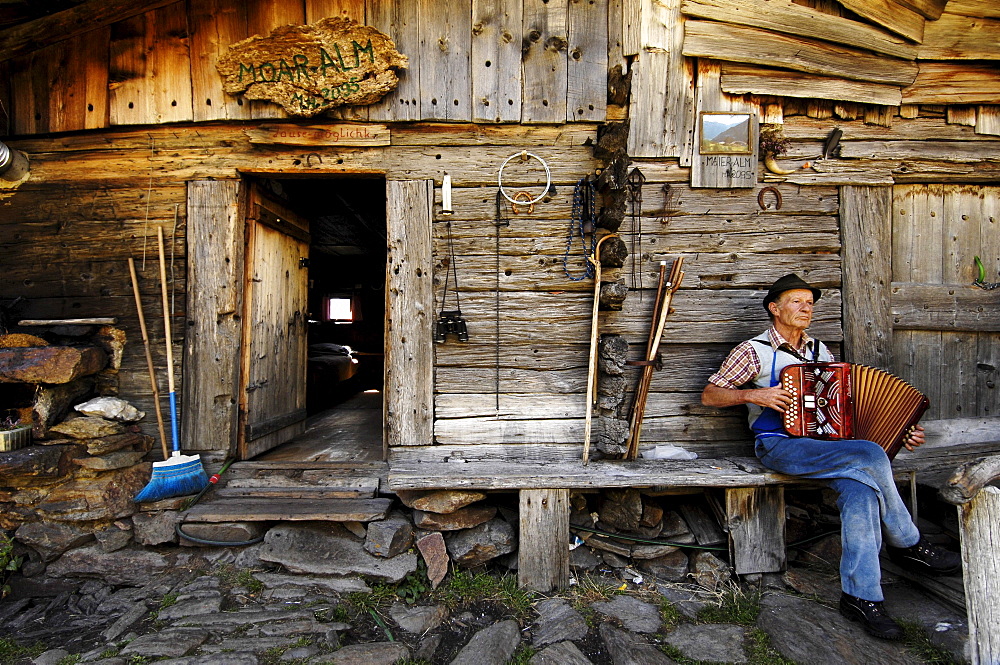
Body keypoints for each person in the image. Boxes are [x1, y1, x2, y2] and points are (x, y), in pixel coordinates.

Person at [701, 273, 961, 641]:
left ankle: (861, 598)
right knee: (870, 456)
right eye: (797, 301)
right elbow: (710, 394)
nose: (806, 307)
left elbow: (846, 415)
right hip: (779, 446)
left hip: (825, 448)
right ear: (774, 309)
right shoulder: (752, 351)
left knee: (862, 493)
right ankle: (908, 543)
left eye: (810, 302)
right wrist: (753, 396)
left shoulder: (820, 353)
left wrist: (900, 432)